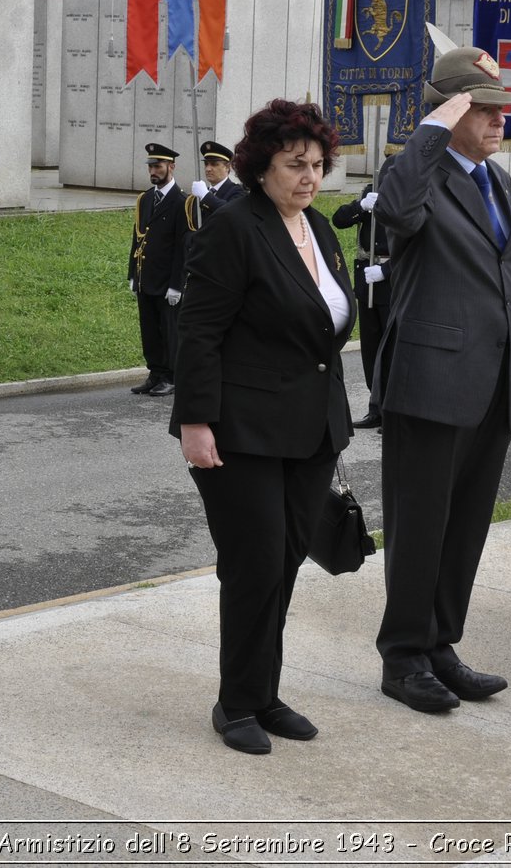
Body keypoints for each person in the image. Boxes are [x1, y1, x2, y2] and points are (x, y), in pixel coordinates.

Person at [173, 99, 354, 754]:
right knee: (252, 565)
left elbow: (327, 327)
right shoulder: (234, 228)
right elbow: (198, 329)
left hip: (311, 430)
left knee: (283, 564)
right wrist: (195, 420)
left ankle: (264, 691)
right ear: (261, 166)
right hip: (240, 430)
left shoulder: (322, 230)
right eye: (294, 165)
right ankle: (236, 702)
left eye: (316, 164)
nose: (309, 176)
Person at [372, 46, 511, 713]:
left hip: (488, 379)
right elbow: (396, 211)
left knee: (463, 525)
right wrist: (434, 123)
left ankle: (440, 645)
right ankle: (403, 655)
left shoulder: (499, 184)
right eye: (483, 109)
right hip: (429, 380)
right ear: (453, 110)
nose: (498, 121)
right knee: (421, 524)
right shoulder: (415, 174)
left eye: (500, 110)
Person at [331, 153, 396, 429]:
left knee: (391, 349)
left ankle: (393, 409)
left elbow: (417, 246)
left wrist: (387, 270)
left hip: (391, 279)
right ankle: (376, 406)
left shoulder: (410, 194)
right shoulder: (371, 191)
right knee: (370, 346)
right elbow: (340, 219)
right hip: (367, 280)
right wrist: (362, 205)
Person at [128, 143, 187, 396]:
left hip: (167, 281)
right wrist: (132, 274)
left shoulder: (182, 202)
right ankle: (155, 372)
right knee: (149, 329)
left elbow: (184, 247)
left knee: (169, 331)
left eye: (158, 166)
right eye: (151, 166)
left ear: (171, 167)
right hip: (146, 277)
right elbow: (137, 238)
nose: (153, 171)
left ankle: (171, 376)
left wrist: (177, 284)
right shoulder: (145, 199)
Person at [183, 140, 244, 232]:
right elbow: (188, 228)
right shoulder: (197, 196)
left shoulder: (238, 192)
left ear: (228, 167)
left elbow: (231, 214)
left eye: (214, 164)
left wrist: (205, 196)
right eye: (206, 164)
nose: (208, 169)